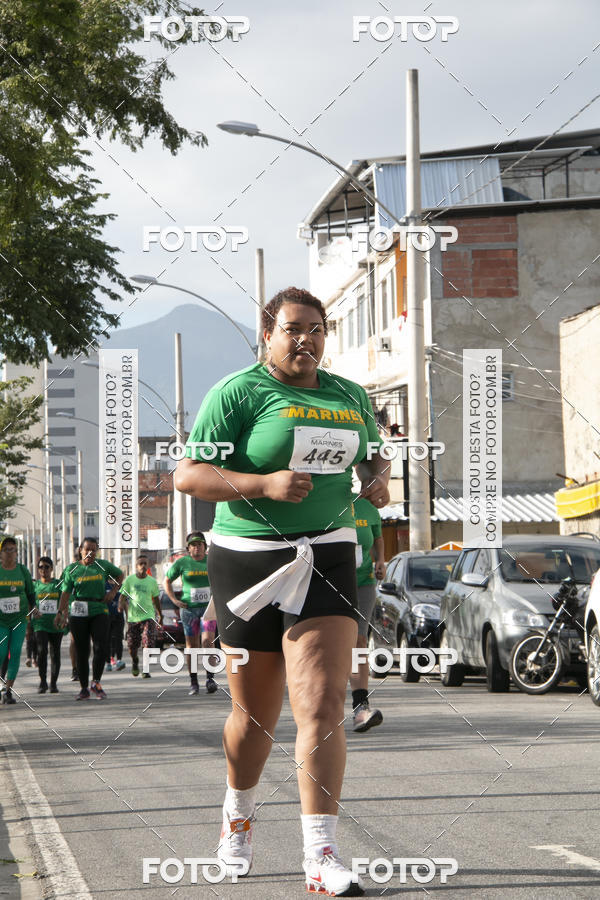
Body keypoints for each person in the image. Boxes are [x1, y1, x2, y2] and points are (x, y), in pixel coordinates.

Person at [174, 287, 389, 896]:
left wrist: (377, 482)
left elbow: (374, 461)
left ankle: (321, 853)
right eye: (293, 329)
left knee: (321, 707)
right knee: (256, 717)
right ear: (267, 333)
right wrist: (262, 483)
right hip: (246, 559)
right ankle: (236, 818)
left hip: (327, 551)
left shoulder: (349, 395)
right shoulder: (238, 393)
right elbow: (190, 474)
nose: (307, 340)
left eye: (317, 329)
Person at [55, 538, 123, 701]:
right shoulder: (72, 569)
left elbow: (120, 575)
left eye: (94, 550)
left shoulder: (103, 565)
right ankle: (84, 687)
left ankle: (96, 682)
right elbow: (65, 593)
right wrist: (60, 612)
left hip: (99, 608)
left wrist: (113, 591)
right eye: (87, 550)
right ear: (80, 550)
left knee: (101, 647)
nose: (90, 553)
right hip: (78, 610)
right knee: (82, 650)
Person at [164, 533, 217, 695]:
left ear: (205, 546)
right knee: (192, 646)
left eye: (199, 544)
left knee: (208, 642)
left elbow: (223, 578)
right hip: (189, 609)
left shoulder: (211, 561)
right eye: (193, 545)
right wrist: (174, 600)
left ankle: (210, 679)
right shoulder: (182, 563)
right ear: (188, 548)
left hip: (208, 609)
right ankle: (193, 681)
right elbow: (167, 580)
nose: (197, 547)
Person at [350, 496, 386, 732]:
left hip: (363, 582)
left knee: (359, 639)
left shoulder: (368, 507)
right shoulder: (325, 500)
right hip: (330, 582)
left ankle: (360, 705)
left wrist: (380, 560)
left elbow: (378, 536)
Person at [0, 536, 36, 705]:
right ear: (1, 552)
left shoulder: (22, 571)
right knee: (1, 654)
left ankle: (8, 691)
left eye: (12, 549)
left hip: (19, 619)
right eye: (6, 549)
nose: (9, 553)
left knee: (14, 653)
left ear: (16, 552)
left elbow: (30, 592)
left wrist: (34, 608)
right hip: (0, 621)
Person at [119, 555, 162, 678]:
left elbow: (156, 599)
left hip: (148, 616)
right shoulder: (129, 580)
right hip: (133, 618)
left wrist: (160, 614)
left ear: (148, 566)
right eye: (141, 564)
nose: (143, 566)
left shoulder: (152, 581)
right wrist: (120, 605)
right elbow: (122, 596)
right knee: (132, 647)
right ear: (136, 566)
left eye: (145, 563)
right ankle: (135, 661)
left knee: (148, 642)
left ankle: (146, 669)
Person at [32, 557, 68, 693]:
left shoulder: (58, 584)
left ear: (52, 569)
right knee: (41, 652)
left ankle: (53, 683)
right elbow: (31, 602)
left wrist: (64, 616)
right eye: (40, 567)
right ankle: (42, 682)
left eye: (47, 567)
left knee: (55, 653)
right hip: (40, 624)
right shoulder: (35, 586)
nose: (43, 570)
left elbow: (64, 601)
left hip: (56, 624)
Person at [105, 585, 126, 672]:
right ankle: (108, 663)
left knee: (119, 639)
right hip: (106, 615)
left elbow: (125, 602)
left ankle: (119, 661)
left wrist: (128, 617)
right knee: (107, 640)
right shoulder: (104, 584)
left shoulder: (121, 586)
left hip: (119, 616)